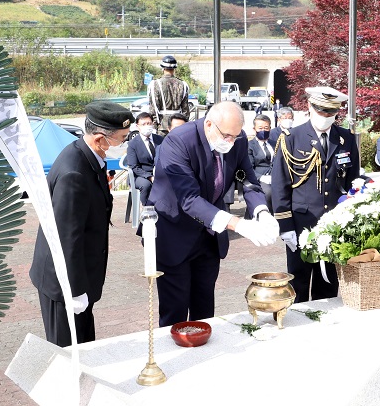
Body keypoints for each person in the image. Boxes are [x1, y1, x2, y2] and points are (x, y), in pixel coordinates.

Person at [147, 101, 279, 326]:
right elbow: (188, 199)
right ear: (209, 124)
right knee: (174, 310)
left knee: (204, 306)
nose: (230, 141)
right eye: (227, 135)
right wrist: (239, 224)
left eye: (236, 136)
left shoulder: (236, 142)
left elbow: (247, 181)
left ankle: (204, 349)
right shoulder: (179, 140)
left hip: (208, 237)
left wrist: (262, 211)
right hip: (175, 231)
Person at [30, 101, 134, 347]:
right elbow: (67, 238)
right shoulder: (74, 173)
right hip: (63, 283)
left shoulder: (86, 154)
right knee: (67, 352)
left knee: (85, 346)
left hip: (80, 277)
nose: (124, 145)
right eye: (122, 139)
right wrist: (74, 290)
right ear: (100, 139)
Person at [271, 86, 360, 303]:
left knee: (329, 283)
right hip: (301, 223)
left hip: (334, 224)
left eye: (330, 113)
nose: (325, 117)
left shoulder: (346, 138)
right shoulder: (291, 138)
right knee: (298, 283)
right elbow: (280, 185)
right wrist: (285, 226)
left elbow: (353, 181)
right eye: (321, 111)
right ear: (309, 107)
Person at [148, 55, 190, 134]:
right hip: (178, 126)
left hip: (162, 126)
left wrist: (155, 126)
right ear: (174, 69)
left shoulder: (155, 84)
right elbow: (185, 110)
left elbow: (154, 108)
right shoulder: (183, 85)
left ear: (163, 68)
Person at [127, 112, 163, 205]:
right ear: (137, 126)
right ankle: (147, 211)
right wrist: (150, 177)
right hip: (140, 175)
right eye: (143, 124)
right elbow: (134, 166)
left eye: (149, 123)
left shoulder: (160, 139)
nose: (147, 126)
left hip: (158, 172)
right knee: (146, 185)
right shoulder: (133, 144)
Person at [248, 114, 276, 213]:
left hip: (276, 176)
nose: (263, 130)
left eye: (266, 128)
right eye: (260, 128)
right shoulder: (250, 146)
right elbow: (249, 168)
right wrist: (261, 177)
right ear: (254, 129)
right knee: (268, 192)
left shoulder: (275, 144)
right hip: (259, 178)